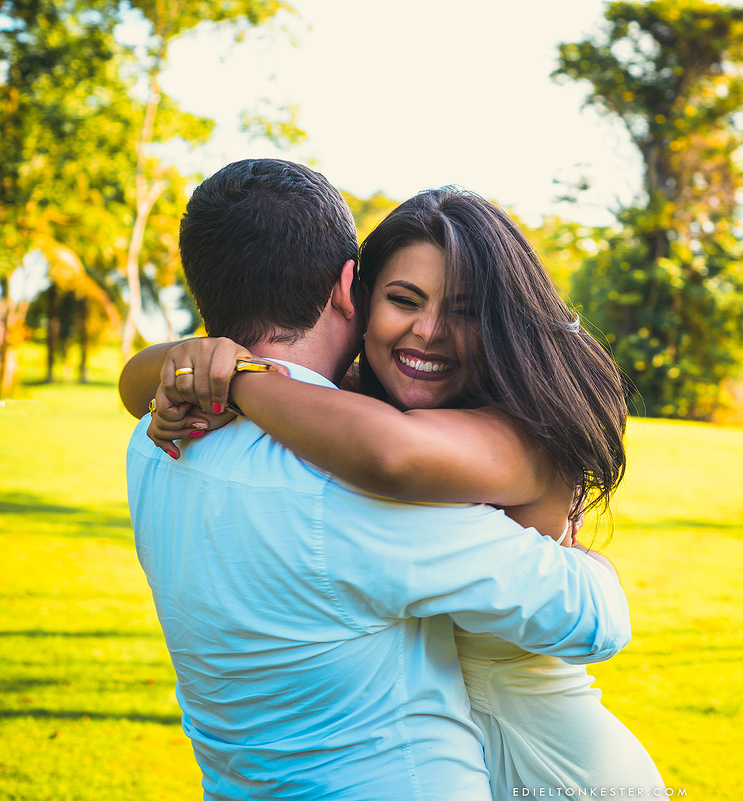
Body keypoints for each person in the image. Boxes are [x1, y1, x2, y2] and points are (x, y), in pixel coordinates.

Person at [120, 160, 633, 800]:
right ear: (354, 291)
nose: (429, 331)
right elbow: (137, 384)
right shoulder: (335, 426)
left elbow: (393, 453)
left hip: (556, 770)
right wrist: (191, 365)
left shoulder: (162, 441)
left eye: (466, 311)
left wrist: (237, 378)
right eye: (403, 299)